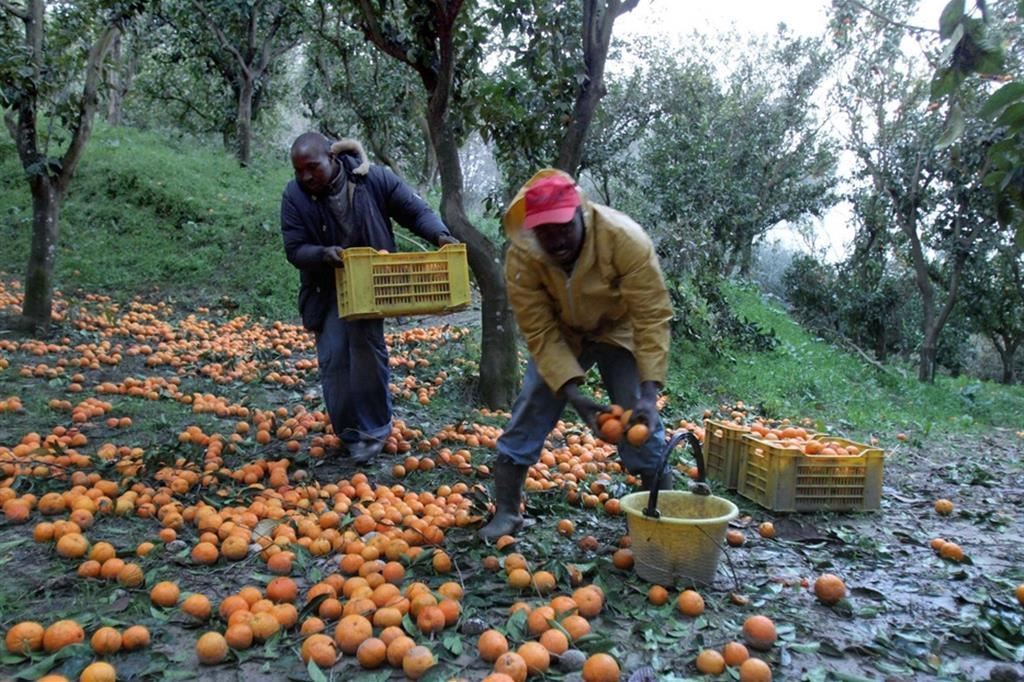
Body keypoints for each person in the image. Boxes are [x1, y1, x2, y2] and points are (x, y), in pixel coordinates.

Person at [478, 170, 674, 541]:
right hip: (563, 333)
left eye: (563, 227)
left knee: (637, 416)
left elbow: (651, 316)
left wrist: (649, 394)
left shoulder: (623, 239)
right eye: (544, 231)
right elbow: (538, 328)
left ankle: (658, 513)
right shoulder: (523, 256)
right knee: (533, 403)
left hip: (620, 327)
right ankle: (506, 511)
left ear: (580, 214)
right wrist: (572, 395)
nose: (555, 240)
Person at [281, 132, 457, 464]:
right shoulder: (295, 196)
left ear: (332, 159)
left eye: (312, 168)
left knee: (365, 353)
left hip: (370, 283)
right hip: (326, 287)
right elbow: (294, 248)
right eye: (298, 170)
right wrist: (323, 253)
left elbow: (413, 211)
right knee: (334, 358)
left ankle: (374, 431)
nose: (305, 177)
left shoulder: (372, 179)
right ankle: (349, 434)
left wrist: (440, 235)